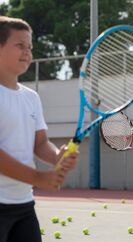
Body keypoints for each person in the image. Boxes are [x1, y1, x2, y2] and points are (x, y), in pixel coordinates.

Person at [0, 16, 78, 242]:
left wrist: (57, 157)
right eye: (20, 45)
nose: (27, 52)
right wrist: (38, 177)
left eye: (30, 47)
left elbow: (40, 143)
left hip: (24, 204)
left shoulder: (31, 97)